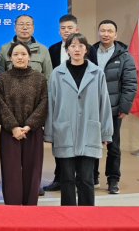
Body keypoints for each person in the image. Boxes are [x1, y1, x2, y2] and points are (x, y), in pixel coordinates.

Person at [44, 33, 113, 206]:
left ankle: (87, 215)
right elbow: (51, 104)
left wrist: (105, 133)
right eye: (73, 46)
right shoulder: (57, 73)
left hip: (90, 130)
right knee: (67, 178)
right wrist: (49, 134)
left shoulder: (97, 73)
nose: (77, 49)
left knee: (86, 178)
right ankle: (68, 214)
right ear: (67, 49)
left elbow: (104, 103)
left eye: (81, 45)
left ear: (86, 49)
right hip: (64, 131)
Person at [0, 14, 52, 196]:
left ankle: (30, 204)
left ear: (30, 57)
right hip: (10, 131)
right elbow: (0, 103)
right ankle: (12, 204)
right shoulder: (2, 79)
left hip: (33, 131)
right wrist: (14, 126)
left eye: (23, 54)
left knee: (32, 169)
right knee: (11, 170)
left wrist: (29, 125)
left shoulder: (39, 78)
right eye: (15, 54)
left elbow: (44, 101)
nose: (20, 57)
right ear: (9, 57)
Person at [44, 14, 98, 192]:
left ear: (77, 29)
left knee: (87, 152)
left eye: (70, 28)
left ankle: (90, 179)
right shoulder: (52, 49)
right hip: (63, 105)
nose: (66, 31)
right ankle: (60, 179)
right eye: (63, 28)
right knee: (63, 150)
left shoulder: (90, 52)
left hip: (85, 105)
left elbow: (93, 77)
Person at [92, 20, 137, 195]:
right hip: (92, 108)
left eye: (110, 31)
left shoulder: (125, 56)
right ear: (98, 32)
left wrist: (124, 108)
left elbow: (130, 84)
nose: (106, 34)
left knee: (114, 147)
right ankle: (92, 177)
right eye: (102, 30)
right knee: (92, 145)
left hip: (113, 109)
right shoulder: (90, 52)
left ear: (115, 35)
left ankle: (113, 179)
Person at [0, 15, 52, 81]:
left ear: (33, 28)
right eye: (21, 24)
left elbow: (48, 76)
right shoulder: (4, 49)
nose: (25, 28)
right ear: (15, 27)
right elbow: (0, 76)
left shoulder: (43, 49)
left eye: (28, 25)